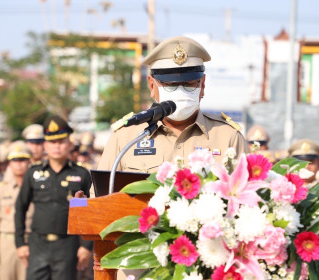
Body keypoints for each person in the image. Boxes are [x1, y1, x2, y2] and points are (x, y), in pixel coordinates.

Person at [97, 36, 248, 175]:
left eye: (189, 84)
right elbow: (95, 198)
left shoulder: (228, 137)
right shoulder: (126, 137)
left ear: (202, 85)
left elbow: (253, 197)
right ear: (151, 85)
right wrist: (77, 202)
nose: (180, 91)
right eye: (170, 84)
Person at [14, 115, 93, 280]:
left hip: (67, 245)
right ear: (45, 145)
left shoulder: (81, 174)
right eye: (52, 142)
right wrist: (20, 243)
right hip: (38, 245)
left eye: (61, 141)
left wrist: (86, 246)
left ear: (70, 144)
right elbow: (20, 208)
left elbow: (90, 211)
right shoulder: (33, 173)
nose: (56, 146)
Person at [0, 141, 34, 280]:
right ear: (9, 163)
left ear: (29, 161)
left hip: (30, 241)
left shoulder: (37, 187)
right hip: (6, 243)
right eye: (14, 160)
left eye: (23, 160)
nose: (19, 164)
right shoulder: (1, 188)